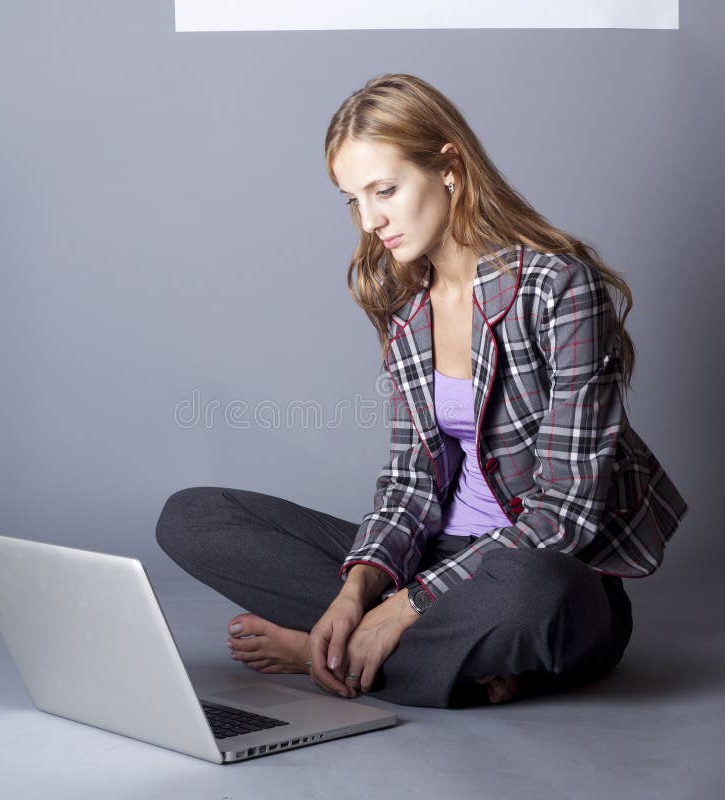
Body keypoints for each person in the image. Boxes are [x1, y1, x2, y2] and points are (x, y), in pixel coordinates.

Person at [155, 73, 689, 708]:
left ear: (449, 167)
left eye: (384, 190)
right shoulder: (406, 307)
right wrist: (358, 592)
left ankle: (325, 656)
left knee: (536, 594)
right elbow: (412, 480)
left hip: (535, 569)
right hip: (433, 558)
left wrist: (405, 607)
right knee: (192, 516)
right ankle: (420, 656)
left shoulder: (557, 288)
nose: (371, 220)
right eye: (353, 199)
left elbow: (567, 512)